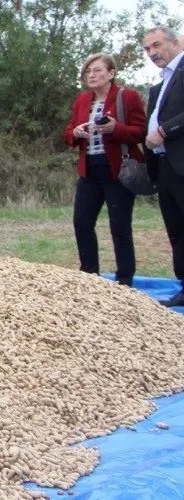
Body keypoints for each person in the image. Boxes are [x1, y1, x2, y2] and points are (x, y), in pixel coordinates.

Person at [64, 53, 146, 286]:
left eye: (97, 70)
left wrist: (115, 129)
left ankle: (124, 279)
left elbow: (140, 131)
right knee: (82, 222)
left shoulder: (127, 96)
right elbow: (68, 133)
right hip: (89, 170)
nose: (92, 74)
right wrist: (76, 133)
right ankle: (89, 275)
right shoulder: (82, 100)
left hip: (117, 170)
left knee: (119, 226)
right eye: (88, 71)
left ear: (111, 73)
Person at [144, 26, 184, 306]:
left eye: (156, 45)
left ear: (176, 42)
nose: (152, 53)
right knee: (177, 229)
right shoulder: (160, 84)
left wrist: (165, 131)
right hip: (165, 165)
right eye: (147, 49)